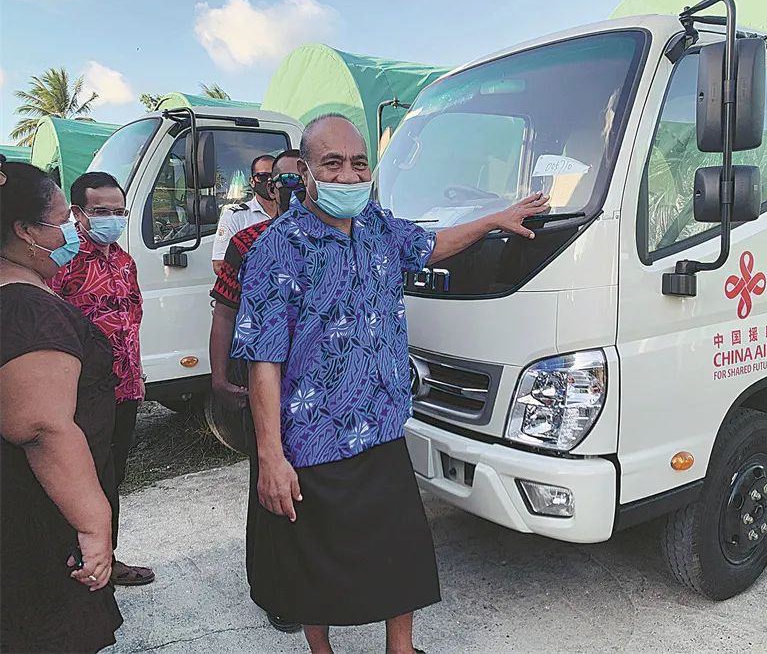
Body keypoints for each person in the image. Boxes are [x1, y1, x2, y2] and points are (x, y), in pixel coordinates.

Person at [232, 114, 549, 654]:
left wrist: (494, 220)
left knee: (400, 555)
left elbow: (431, 244)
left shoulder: (377, 225)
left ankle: (400, 649)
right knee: (316, 564)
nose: (349, 175)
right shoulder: (278, 247)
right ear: (305, 172)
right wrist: (270, 457)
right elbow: (263, 359)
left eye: (359, 163)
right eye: (332, 163)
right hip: (314, 439)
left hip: (381, 425)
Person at [0, 159, 123, 652]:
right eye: (61, 222)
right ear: (26, 230)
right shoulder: (27, 308)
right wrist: (93, 524)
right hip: (41, 519)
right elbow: (41, 427)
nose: (72, 232)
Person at [208, 148, 305, 632]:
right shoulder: (247, 242)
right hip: (263, 388)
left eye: (300, 180)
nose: (291, 190)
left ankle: (315, 581)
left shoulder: (340, 238)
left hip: (322, 397)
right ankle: (274, 589)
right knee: (269, 488)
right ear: (267, 187)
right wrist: (218, 377)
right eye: (281, 181)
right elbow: (224, 314)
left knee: (316, 492)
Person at [49, 172, 155, 587]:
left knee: (113, 476)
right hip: (81, 394)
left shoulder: (124, 261)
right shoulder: (62, 261)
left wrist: (137, 373)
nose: (113, 219)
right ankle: (72, 565)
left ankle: (105, 560)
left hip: (124, 388)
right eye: (101, 211)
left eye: (119, 211)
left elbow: (132, 319)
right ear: (78, 212)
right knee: (79, 481)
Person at [212, 154, 277, 274]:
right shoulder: (236, 216)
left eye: (273, 176)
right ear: (252, 181)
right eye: (263, 177)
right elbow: (219, 265)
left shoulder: (292, 214)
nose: (269, 181)